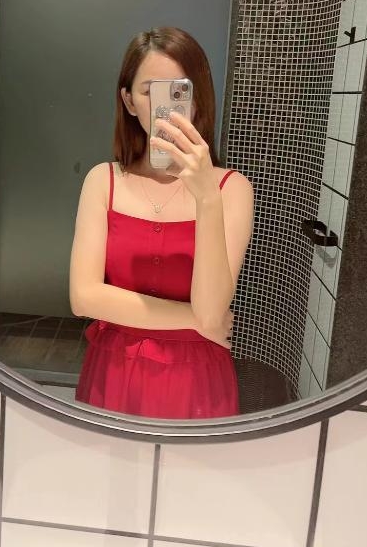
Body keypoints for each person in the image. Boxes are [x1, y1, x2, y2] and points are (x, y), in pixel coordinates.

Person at [69, 27, 254, 419]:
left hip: (197, 383)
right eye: (150, 91)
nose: (164, 106)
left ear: (198, 99)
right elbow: (83, 298)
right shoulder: (103, 181)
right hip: (112, 373)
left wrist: (206, 197)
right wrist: (197, 321)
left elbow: (211, 310)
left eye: (178, 91)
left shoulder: (231, 189)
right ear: (128, 101)